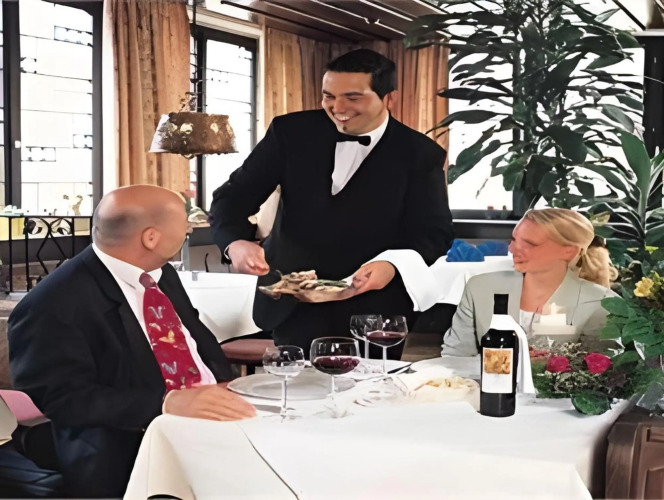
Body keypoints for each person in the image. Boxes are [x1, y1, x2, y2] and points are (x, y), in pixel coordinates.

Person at [8, 185, 256, 498]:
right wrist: (166, 403)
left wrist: (223, 386)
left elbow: (194, 342)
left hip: (211, 423)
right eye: (185, 222)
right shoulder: (52, 303)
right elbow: (62, 399)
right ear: (151, 238)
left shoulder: (160, 273)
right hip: (129, 449)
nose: (190, 229)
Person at [210, 49, 454, 354]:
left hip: (375, 311)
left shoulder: (421, 154)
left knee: (371, 385)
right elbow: (231, 198)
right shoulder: (290, 133)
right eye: (329, 96)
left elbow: (434, 233)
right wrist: (235, 243)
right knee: (295, 384)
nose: (338, 108)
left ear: (389, 98)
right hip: (293, 301)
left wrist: (391, 265)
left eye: (352, 97)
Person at [442, 208, 618, 357]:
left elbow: (602, 369)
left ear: (568, 252)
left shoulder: (600, 302)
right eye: (514, 239)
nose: (512, 249)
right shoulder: (480, 288)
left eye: (530, 244)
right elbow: (455, 356)